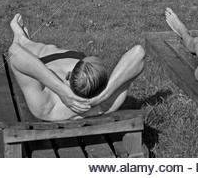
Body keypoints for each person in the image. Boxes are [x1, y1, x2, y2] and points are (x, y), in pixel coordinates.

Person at [8, 14, 145, 121]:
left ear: (68, 76)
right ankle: (21, 36)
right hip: (76, 60)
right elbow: (138, 53)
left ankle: (19, 35)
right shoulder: (105, 104)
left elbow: (14, 52)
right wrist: (104, 95)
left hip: (48, 60)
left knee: (31, 46)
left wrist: (62, 91)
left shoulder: (47, 106)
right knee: (45, 48)